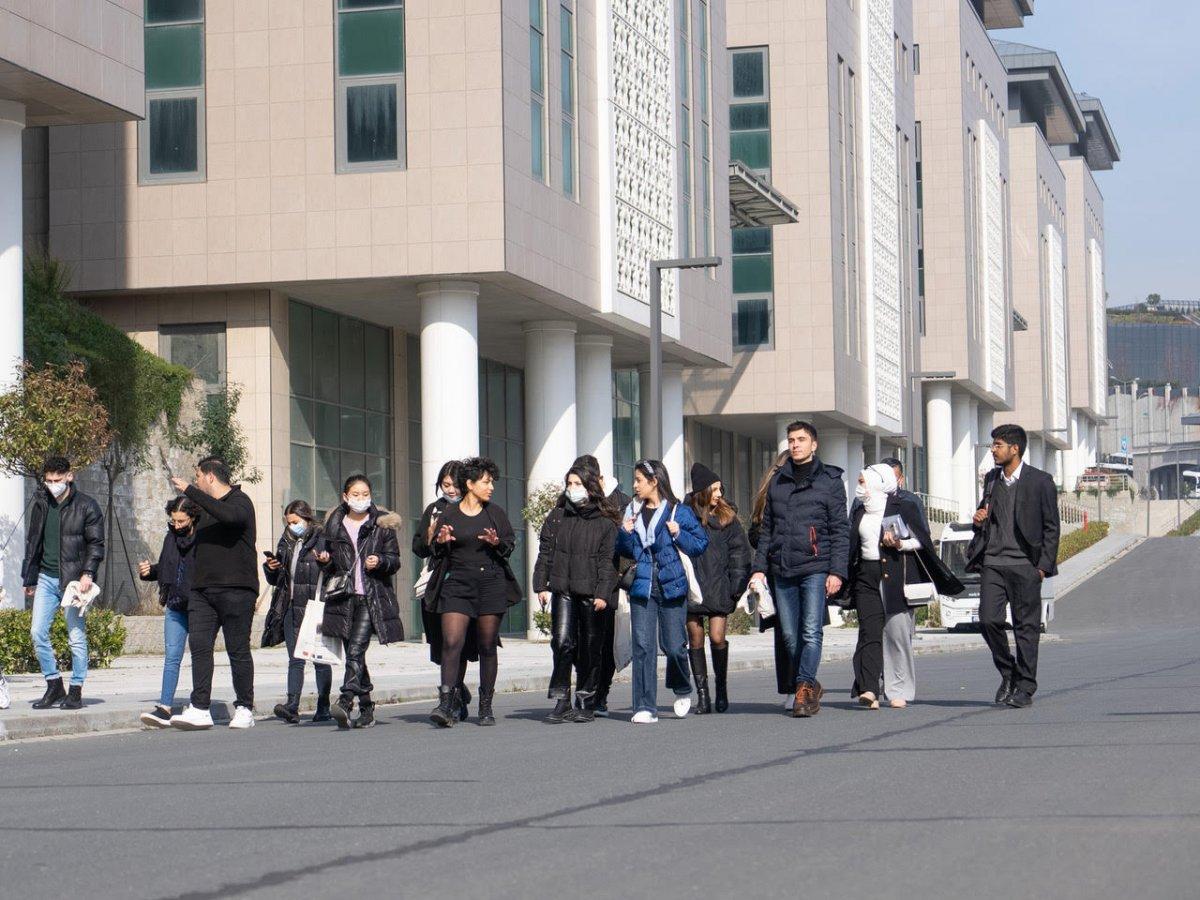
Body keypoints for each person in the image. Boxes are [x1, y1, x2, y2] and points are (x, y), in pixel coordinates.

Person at [749, 421, 849, 718]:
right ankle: (810, 683)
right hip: (783, 567)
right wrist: (759, 569)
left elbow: (840, 530)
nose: (795, 445)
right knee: (790, 636)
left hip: (816, 567)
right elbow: (767, 529)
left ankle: (804, 689)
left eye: (801, 439)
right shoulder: (779, 480)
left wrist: (837, 571)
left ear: (814, 444)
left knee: (810, 631)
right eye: (791, 440)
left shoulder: (830, 480)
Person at [425, 457, 522, 728]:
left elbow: (508, 546)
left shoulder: (496, 513)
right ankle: (446, 703)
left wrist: (496, 542)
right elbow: (434, 551)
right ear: (469, 484)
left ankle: (486, 705)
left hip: (490, 584)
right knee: (451, 642)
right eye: (486, 481)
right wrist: (440, 542)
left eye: (491, 482)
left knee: (487, 645)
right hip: (456, 585)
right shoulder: (450, 514)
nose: (490, 487)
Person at [968, 424, 1060, 709]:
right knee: (987, 620)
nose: (993, 450)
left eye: (997, 445)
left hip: (1025, 565)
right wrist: (979, 519)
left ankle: (1025, 688)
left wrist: (1042, 567)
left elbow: (1051, 528)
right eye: (993, 445)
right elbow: (988, 512)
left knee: (1025, 629)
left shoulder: (1041, 481)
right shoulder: (992, 479)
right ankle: (1008, 672)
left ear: (1014, 448)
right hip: (993, 562)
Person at [169, 457, 259, 731]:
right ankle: (200, 707)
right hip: (203, 592)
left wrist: (190, 490)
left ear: (209, 477)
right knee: (199, 647)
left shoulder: (240, 501)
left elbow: (230, 517)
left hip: (236, 590)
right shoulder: (204, 510)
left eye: (197, 476)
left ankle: (244, 707)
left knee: (238, 650)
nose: (195, 481)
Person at [615, 460, 708, 724]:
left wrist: (679, 535)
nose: (634, 485)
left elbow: (701, 543)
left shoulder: (678, 511)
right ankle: (644, 706)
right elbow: (624, 549)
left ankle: (681, 688)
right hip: (642, 585)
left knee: (674, 646)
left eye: (638, 480)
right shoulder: (632, 510)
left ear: (654, 481)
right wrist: (624, 533)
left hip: (671, 585)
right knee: (643, 646)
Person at [315, 475, 404, 729]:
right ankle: (367, 708)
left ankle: (345, 699)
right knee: (356, 656)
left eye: (365, 494)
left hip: (370, 596)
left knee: (355, 650)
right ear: (345, 496)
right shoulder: (334, 524)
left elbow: (394, 561)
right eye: (355, 494)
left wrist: (380, 561)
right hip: (342, 598)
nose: (361, 499)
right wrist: (324, 560)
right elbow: (331, 563)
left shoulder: (381, 524)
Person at [532, 465, 620, 723]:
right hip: (564, 589)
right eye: (569, 484)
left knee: (590, 648)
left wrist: (604, 593)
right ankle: (562, 699)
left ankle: (586, 699)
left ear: (591, 488)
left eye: (578, 484)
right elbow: (545, 552)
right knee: (561, 642)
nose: (572, 489)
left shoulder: (605, 522)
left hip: (592, 594)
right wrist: (541, 585)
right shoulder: (558, 516)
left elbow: (608, 562)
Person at [22, 456, 105, 711]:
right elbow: (34, 541)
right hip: (46, 578)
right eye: (48, 480)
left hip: (74, 582)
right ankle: (54, 684)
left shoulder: (87, 506)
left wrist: (88, 573)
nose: (53, 484)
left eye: (57, 479)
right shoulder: (41, 503)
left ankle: (76, 690)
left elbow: (96, 544)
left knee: (75, 636)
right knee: (37, 632)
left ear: (70, 476)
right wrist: (30, 577)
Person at [684, 463, 751, 714]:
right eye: (714, 489)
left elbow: (740, 554)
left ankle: (721, 687)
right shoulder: (685, 515)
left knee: (717, 637)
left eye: (720, 489)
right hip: (692, 587)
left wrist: (736, 586)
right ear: (702, 491)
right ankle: (703, 696)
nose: (719, 494)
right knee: (695, 638)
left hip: (720, 585)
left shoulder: (727, 517)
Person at [262, 500, 332, 725]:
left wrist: (326, 562)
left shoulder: (322, 538)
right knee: (295, 658)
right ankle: (292, 705)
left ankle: (324, 705)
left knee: (320, 659)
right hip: (291, 606)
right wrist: (271, 568)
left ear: (307, 518)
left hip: (316, 605)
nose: (292, 526)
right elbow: (279, 580)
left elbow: (334, 569)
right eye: (289, 522)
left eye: (295, 521)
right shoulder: (286, 541)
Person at [414, 460, 473, 722]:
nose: (449, 490)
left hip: (464, 583)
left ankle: (450, 699)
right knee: (442, 644)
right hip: (438, 583)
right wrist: (429, 537)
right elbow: (419, 548)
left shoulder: (473, 508)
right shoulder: (434, 510)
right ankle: (456, 688)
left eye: (454, 484)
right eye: (445, 485)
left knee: (456, 643)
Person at [574, 454, 630, 718]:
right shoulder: (575, 502)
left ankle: (600, 695)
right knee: (578, 641)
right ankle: (585, 690)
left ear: (599, 479)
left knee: (604, 641)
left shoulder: (622, 502)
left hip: (610, 581)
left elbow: (631, 546)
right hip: (579, 581)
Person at [137, 496, 201, 727]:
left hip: (198, 605)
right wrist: (148, 571)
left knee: (200, 657)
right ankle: (165, 706)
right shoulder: (171, 537)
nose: (177, 525)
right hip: (174, 603)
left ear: (193, 518)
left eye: (182, 521)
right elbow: (166, 568)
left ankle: (198, 705)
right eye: (174, 520)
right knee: (172, 657)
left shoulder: (203, 538)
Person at [749, 451, 794, 709]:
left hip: (807, 568)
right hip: (779, 570)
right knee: (786, 630)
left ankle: (803, 682)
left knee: (806, 630)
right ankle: (792, 687)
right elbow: (755, 533)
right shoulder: (768, 495)